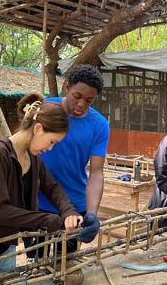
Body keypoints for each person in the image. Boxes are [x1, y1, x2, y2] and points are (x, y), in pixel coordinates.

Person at [0, 93, 82, 285]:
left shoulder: (32, 159)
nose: (50, 148)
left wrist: (69, 212)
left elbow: (52, 188)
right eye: (52, 142)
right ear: (38, 128)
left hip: (5, 250)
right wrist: (45, 219)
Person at [25, 64, 109, 262]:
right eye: (77, 96)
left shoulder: (99, 125)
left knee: (66, 264)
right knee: (35, 265)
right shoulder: (44, 110)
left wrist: (91, 214)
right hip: (37, 203)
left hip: (73, 207)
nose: (81, 105)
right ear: (67, 88)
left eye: (89, 101)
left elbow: (96, 173)